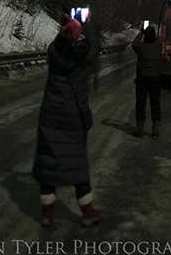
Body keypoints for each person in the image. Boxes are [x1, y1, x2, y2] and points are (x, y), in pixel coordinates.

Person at [32, 13, 101, 227]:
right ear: (76, 37)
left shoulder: (54, 51)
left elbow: (61, 41)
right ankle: (87, 211)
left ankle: (47, 212)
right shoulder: (79, 58)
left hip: (51, 112)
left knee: (49, 160)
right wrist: (88, 23)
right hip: (72, 115)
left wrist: (68, 27)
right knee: (77, 162)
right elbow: (93, 48)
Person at [132, 24, 162, 138]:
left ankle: (140, 129)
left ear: (145, 36)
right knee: (155, 104)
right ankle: (155, 129)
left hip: (142, 79)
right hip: (155, 79)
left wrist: (141, 33)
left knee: (141, 103)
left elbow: (134, 43)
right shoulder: (158, 46)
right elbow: (159, 41)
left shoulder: (141, 47)